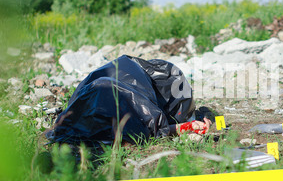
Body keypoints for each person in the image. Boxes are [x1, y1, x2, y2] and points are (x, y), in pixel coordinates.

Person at [46, 55, 212, 146]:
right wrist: (180, 126)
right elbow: (151, 124)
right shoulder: (119, 91)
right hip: (113, 87)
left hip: (110, 88)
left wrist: (187, 124)